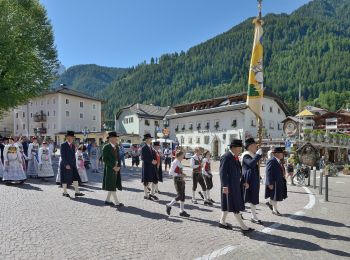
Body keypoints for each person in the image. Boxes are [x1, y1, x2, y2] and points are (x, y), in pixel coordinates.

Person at [219, 139, 253, 233]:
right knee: (235, 206)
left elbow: (238, 172)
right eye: (239, 148)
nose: (240, 150)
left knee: (228, 204)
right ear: (233, 147)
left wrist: (243, 182)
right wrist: (225, 186)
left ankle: (222, 222)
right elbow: (222, 173)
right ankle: (243, 227)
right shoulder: (226, 156)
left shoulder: (235, 157)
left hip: (235, 185)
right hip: (229, 187)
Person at [241, 138, 263, 224]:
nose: (256, 147)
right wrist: (258, 155)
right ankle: (238, 212)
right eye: (254, 145)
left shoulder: (253, 154)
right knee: (244, 197)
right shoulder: (246, 155)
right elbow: (251, 164)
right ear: (249, 146)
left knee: (253, 197)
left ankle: (253, 216)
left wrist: (259, 177)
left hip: (253, 179)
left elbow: (255, 168)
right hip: (247, 179)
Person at [59, 131, 84, 198]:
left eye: (73, 137)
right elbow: (63, 156)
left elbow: (73, 156)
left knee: (75, 177)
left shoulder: (73, 146)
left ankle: (77, 192)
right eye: (72, 137)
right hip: (65, 165)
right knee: (65, 178)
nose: (73, 139)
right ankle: (64, 192)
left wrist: (75, 164)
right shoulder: (63, 145)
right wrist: (66, 164)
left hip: (72, 165)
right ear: (68, 138)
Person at [165, 150, 190, 217]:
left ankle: (181, 211)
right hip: (177, 180)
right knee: (179, 196)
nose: (183, 157)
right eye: (182, 155)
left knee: (183, 196)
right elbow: (170, 172)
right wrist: (179, 174)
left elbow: (179, 171)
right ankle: (169, 205)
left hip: (181, 180)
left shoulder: (179, 161)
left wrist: (183, 174)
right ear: (179, 155)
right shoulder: (175, 162)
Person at [102, 131, 124, 208]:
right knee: (112, 185)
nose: (116, 139)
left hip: (116, 169)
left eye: (116, 138)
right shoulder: (106, 147)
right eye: (114, 138)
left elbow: (118, 158)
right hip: (110, 169)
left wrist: (119, 166)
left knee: (113, 184)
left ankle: (107, 200)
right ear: (110, 139)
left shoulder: (117, 147)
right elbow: (104, 159)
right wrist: (113, 167)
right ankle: (117, 202)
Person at [265, 147, 287, 216]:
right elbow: (268, 172)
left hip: (279, 181)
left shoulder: (279, 160)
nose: (283, 154)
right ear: (276, 154)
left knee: (276, 196)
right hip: (274, 182)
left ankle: (270, 203)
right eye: (281, 153)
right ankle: (275, 210)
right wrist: (269, 183)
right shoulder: (271, 160)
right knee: (275, 196)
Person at [141, 134, 158, 200]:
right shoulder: (143, 148)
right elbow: (143, 158)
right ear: (146, 140)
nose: (151, 140)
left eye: (151, 138)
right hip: (146, 167)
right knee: (146, 181)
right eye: (150, 139)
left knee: (154, 180)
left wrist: (155, 161)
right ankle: (146, 195)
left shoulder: (151, 147)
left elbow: (154, 156)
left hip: (152, 166)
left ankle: (152, 193)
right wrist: (151, 161)